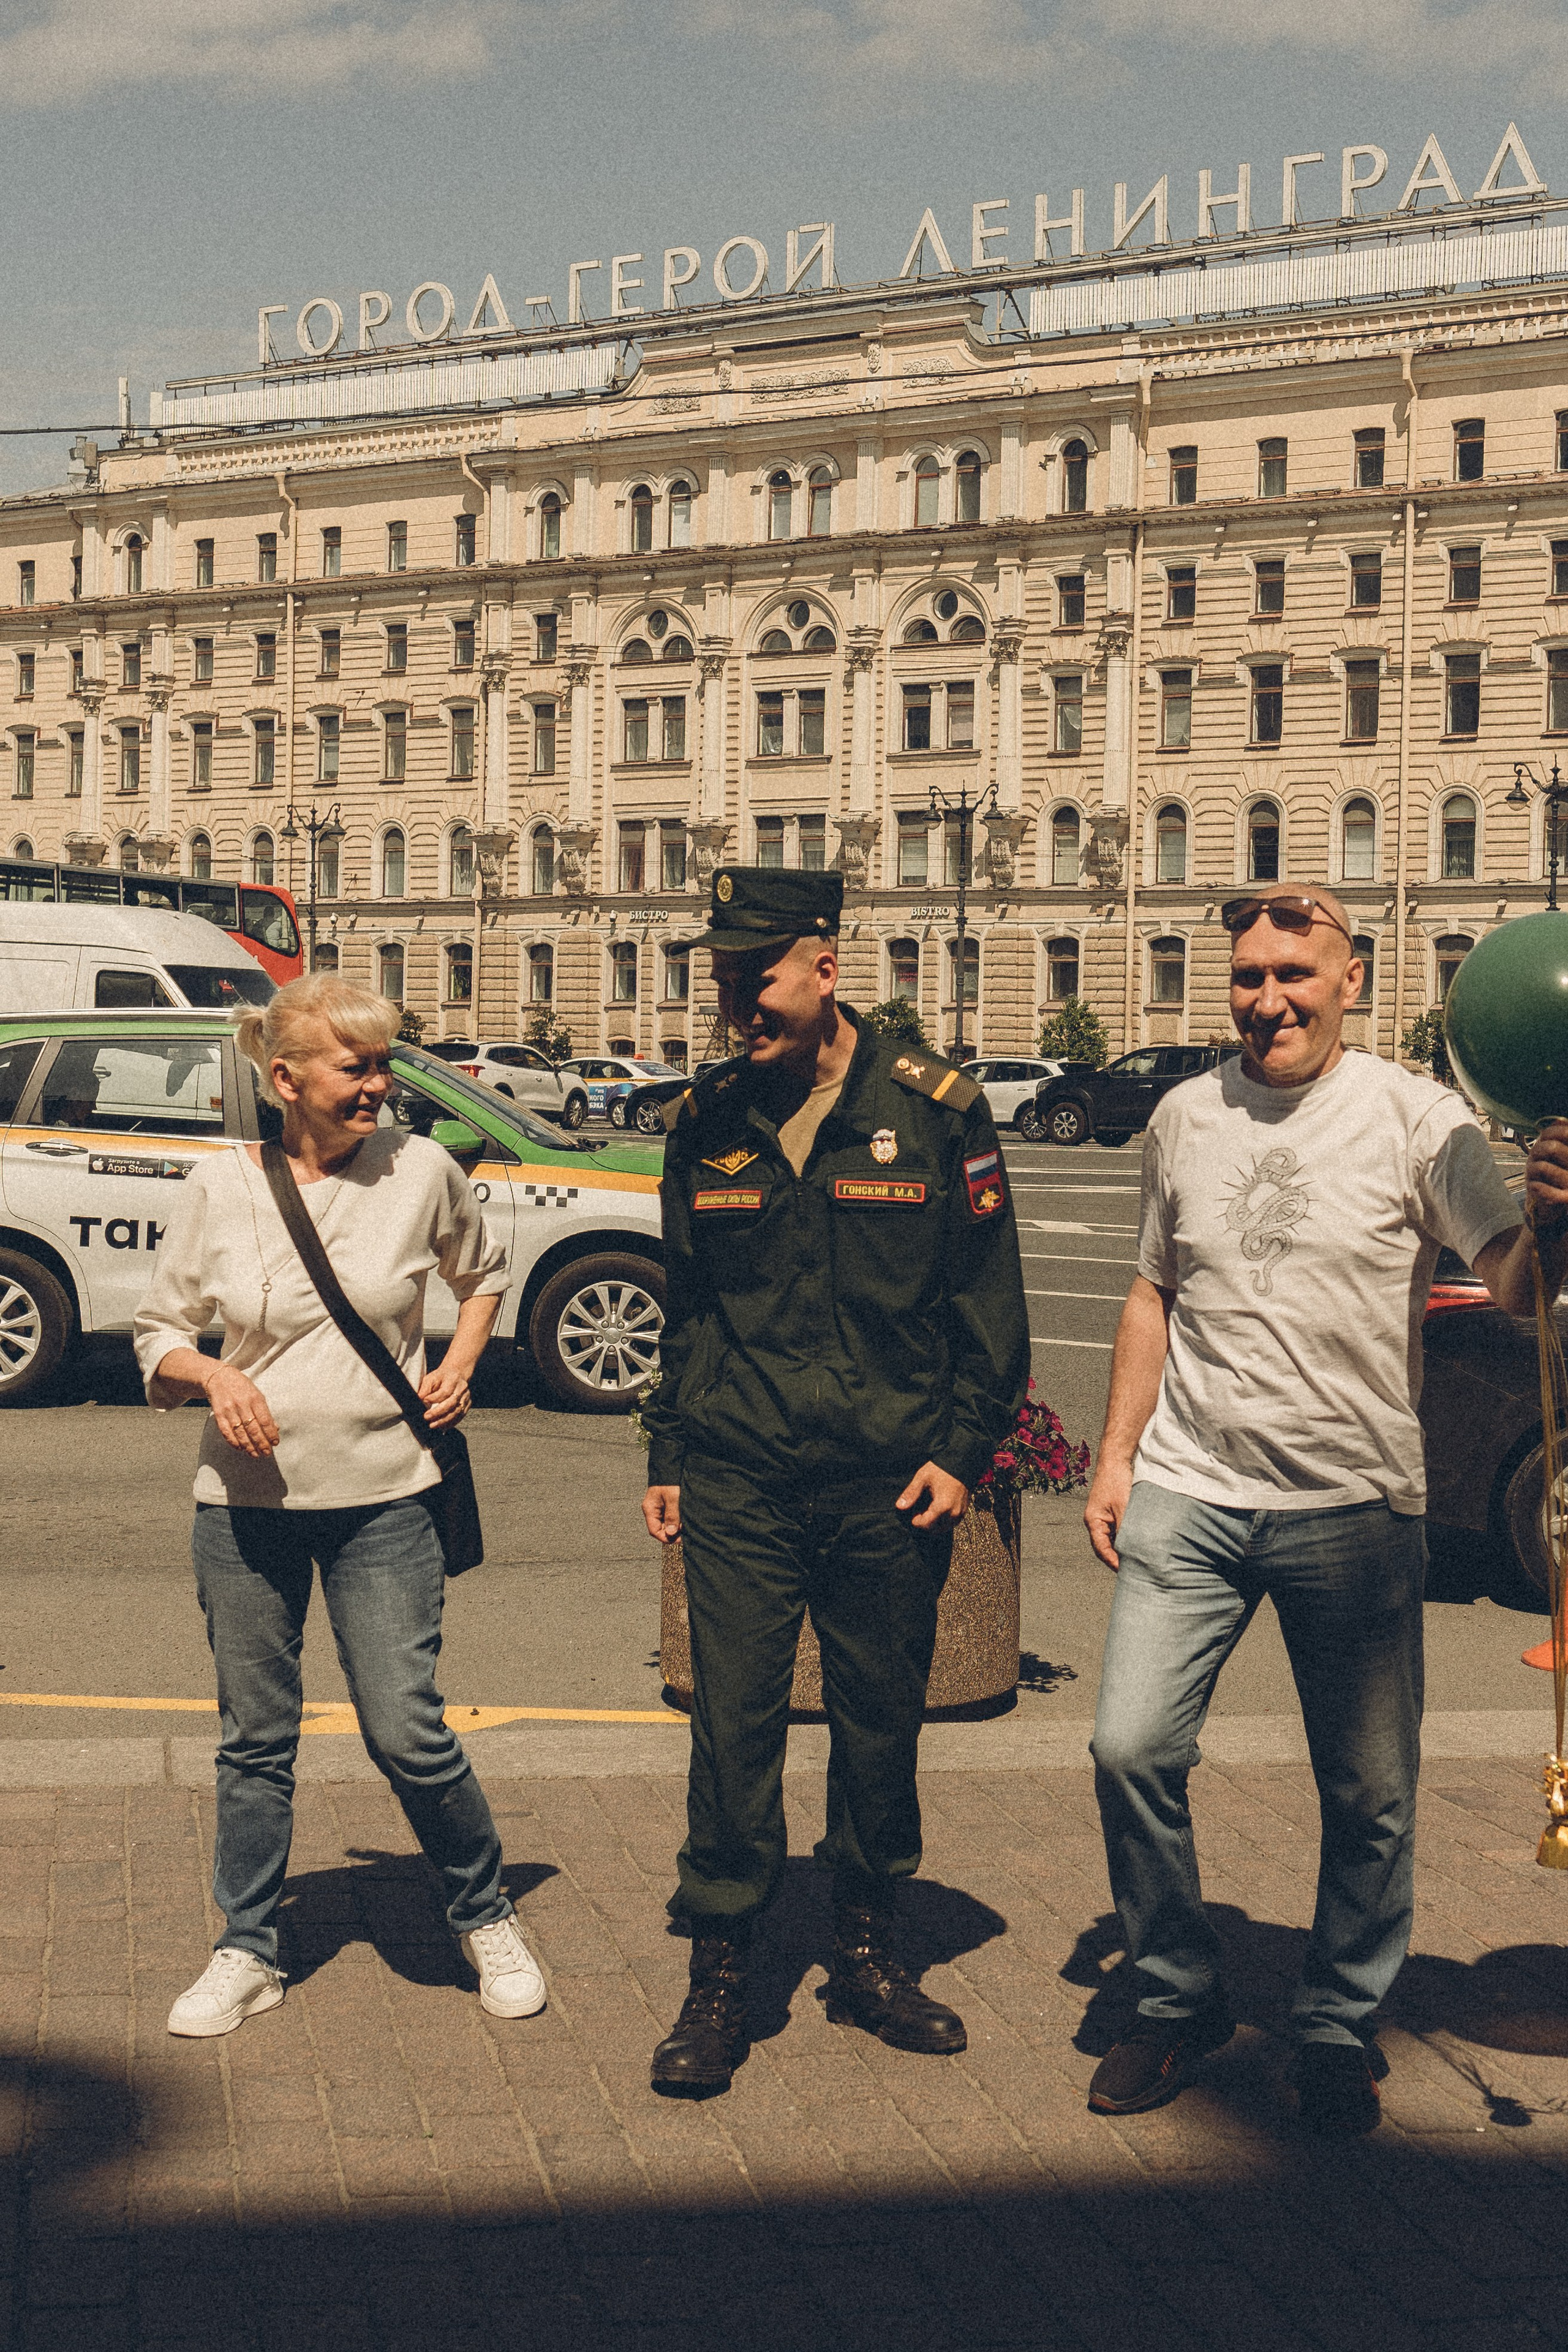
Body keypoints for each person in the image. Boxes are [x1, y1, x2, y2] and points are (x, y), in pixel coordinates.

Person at [1082, 883, 1568, 2134]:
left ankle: (1336, 2017)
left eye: (1293, 974)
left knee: (1367, 1791)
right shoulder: (1185, 1114)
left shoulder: (1418, 1119)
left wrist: (1553, 1220)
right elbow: (1152, 1292)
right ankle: (1177, 1995)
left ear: (1350, 981)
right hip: (1190, 1489)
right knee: (1129, 1746)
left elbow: (1509, 1286)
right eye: (1246, 975)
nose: (1267, 999)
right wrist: (1113, 1454)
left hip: (1349, 1502)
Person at [640, 866, 1030, 2095]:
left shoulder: (933, 1112)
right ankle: (721, 1972)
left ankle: (867, 1955)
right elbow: (689, 1305)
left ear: (824, 966)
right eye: (718, 978)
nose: (732, 1000)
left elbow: (986, 1301)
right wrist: (668, 1452)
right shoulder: (704, 1119)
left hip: (884, 1482)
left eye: (751, 976)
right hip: (743, 1476)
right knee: (732, 1728)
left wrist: (959, 1455)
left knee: (877, 1727)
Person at [134, 973, 546, 2037]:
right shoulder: (223, 1187)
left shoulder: (421, 1171)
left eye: (386, 1063)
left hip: (386, 1500)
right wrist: (218, 1379)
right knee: (255, 1740)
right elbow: (158, 1333)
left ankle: (485, 1912)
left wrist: (459, 1361)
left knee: (405, 1729)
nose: (380, 1085)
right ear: (285, 1079)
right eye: (357, 1066)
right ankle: (248, 1949)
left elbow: (484, 1268)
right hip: (245, 1507)